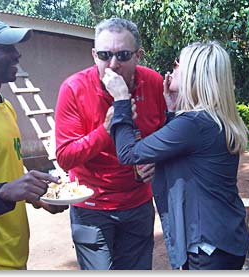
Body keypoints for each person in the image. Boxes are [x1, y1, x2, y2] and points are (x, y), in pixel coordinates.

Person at [104, 40, 249, 270]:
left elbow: (128, 154)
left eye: (176, 65)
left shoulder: (193, 124)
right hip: (224, 238)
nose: (170, 71)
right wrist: (172, 111)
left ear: (194, 74)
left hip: (207, 246)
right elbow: (190, 158)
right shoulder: (211, 118)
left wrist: (121, 100)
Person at [54, 17, 167, 270]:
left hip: (138, 203)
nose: (113, 65)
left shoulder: (153, 83)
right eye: (105, 55)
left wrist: (158, 161)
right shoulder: (73, 88)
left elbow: (164, 136)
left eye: (123, 55)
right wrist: (106, 130)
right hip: (91, 206)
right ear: (94, 54)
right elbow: (64, 156)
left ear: (138, 55)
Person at [0, 16, 67, 269]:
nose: (17, 55)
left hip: (12, 255)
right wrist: (3, 192)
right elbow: (1, 187)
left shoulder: (5, 106)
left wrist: (35, 196)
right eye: (4, 48)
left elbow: (0, 170)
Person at [0, 83, 62, 220]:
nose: (16, 60)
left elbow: (5, 174)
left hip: (16, 237)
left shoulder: (5, 107)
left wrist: (32, 195)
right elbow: (4, 190)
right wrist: (2, 193)